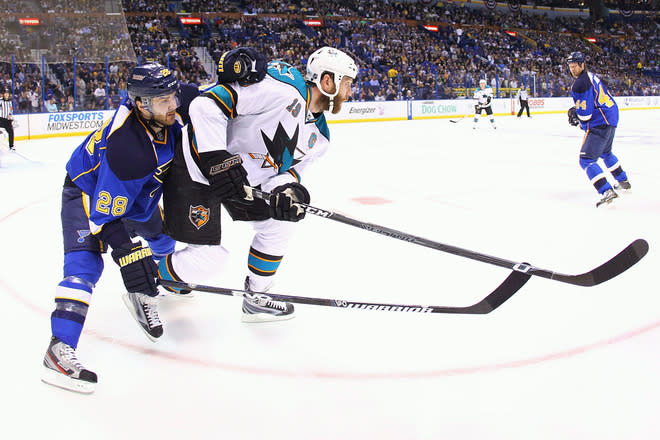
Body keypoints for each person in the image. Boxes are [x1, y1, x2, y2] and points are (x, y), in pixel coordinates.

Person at [158, 46, 357, 322]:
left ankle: (256, 297)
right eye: (347, 83)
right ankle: (147, 279)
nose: (350, 92)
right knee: (208, 260)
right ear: (327, 81)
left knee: (280, 225)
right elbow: (206, 105)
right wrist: (217, 159)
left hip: (243, 180)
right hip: (198, 166)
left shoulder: (320, 137)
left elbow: (291, 172)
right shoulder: (283, 87)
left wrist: (288, 191)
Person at [41, 63, 200, 394]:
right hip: (88, 192)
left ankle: (159, 281)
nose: (174, 105)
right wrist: (129, 254)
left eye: (173, 95)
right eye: (164, 101)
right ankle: (59, 350)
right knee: (85, 266)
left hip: (136, 191)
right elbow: (103, 219)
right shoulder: (127, 150)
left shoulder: (167, 103)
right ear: (141, 104)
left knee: (161, 235)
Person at [566, 51, 630, 208]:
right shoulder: (589, 76)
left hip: (600, 121)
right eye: (570, 66)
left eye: (575, 66)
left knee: (586, 159)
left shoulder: (580, 84)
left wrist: (578, 117)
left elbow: (586, 115)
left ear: (582, 64)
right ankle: (623, 181)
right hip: (611, 116)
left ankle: (606, 191)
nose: (572, 69)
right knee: (605, 152)